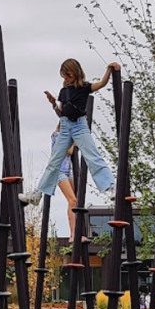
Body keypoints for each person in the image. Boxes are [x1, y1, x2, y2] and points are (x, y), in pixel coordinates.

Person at [19, 59, 118, 206]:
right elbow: (62, 113)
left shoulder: (85, 87)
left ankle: (111, 186)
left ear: (76, 73)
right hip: (65, 127)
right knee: (54, 162)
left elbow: (102, 84)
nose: (65, 78)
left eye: (68, 75)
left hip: (79, 126)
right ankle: (38, 194)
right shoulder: (63, 91)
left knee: (92, 155)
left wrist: (109, 70)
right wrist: (53, 104)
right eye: (64, 76)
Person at [49, 121, 79, 237]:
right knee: (72, 200)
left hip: (68, 170)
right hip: (59, 171)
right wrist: (75, 141)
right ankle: (73, 234)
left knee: (75, 200)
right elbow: (69, 151)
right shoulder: (57, 136)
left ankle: (76, 229)